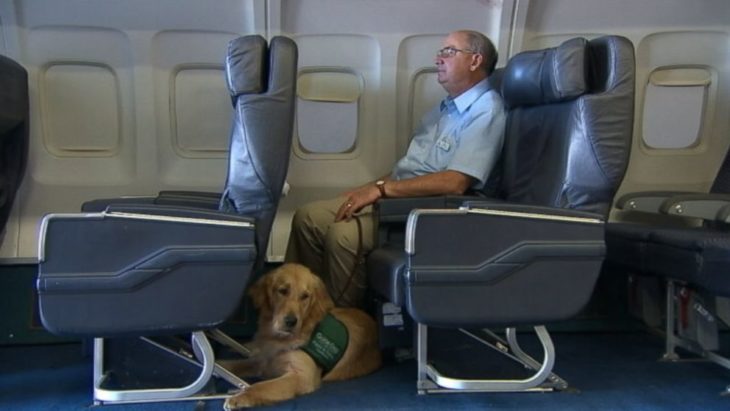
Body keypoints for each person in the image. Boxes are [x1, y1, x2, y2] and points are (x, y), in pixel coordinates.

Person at [285, 30, 506, 308]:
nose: (438, 59)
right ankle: (302, 311)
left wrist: (381, 190)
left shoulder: (487, 110)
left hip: (430, 213)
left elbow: (455, 182)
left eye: (449, 52)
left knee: (342, 236)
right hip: (399, 198)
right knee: (308, 218)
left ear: (475, 61)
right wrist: (371, 187)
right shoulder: (444, 110)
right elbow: (410, 170)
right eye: (440, 52)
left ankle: (345, 326)